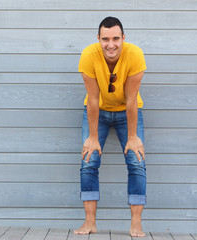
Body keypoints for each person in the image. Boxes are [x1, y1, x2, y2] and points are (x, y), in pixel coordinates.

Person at [73, 16, 147, 237]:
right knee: (89, 160)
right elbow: (93, 100)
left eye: (116, 38)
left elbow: (131, 101)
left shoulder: (135, 55)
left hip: (128, 112)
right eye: (105, 39)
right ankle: (89, 223)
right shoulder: (88, 55)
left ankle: (136, 223)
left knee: (136, 161)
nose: (111, 44)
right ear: (98, 39)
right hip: (98, 112)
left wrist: (133, 136)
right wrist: (93, 137)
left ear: (123, 38)